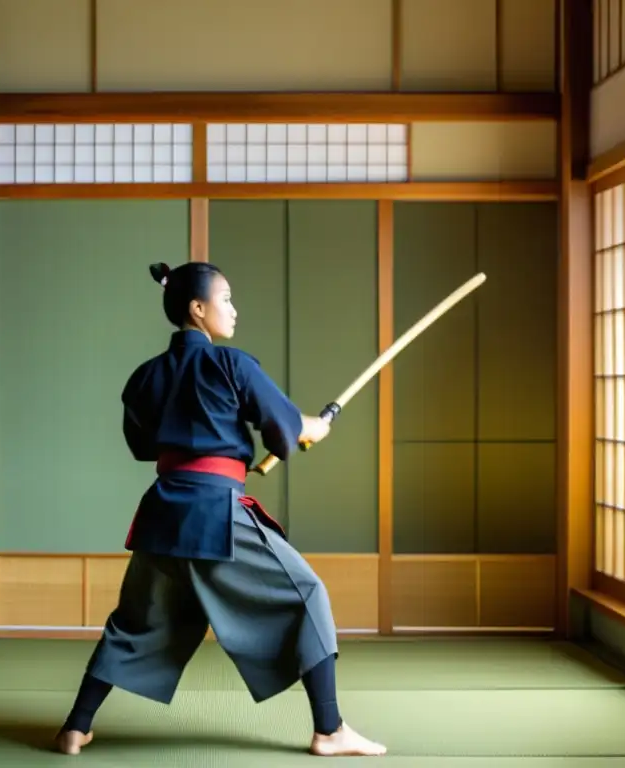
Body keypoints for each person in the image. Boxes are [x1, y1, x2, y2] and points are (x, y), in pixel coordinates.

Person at [55, 260, 387, 758]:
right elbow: (284, 429)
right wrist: (313, 426)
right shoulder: (232, 365)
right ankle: (330, 729)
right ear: (197, 308)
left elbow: (143, 446)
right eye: (226, 298)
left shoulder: (144, 378)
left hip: (162, 513)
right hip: (214, 511)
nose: (234, 309)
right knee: (308, 595)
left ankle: (74, 729)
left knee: (137, 621)